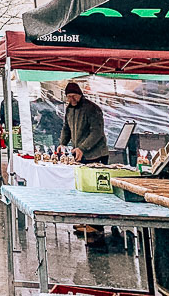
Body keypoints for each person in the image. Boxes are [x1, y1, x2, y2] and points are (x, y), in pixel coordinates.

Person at [59, 82, 108, 246]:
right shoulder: (69, 109)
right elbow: (66, 128)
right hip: (80, 154)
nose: (71, 100)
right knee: (83, 189)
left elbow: (97, 132)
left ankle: (97, 225)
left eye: (74, 96)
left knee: (95, 191)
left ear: (80, 95)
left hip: (96, 154)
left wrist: (83, 148)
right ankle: (87, 219)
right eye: (69, 97)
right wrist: (62, 143)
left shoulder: (92, 109)